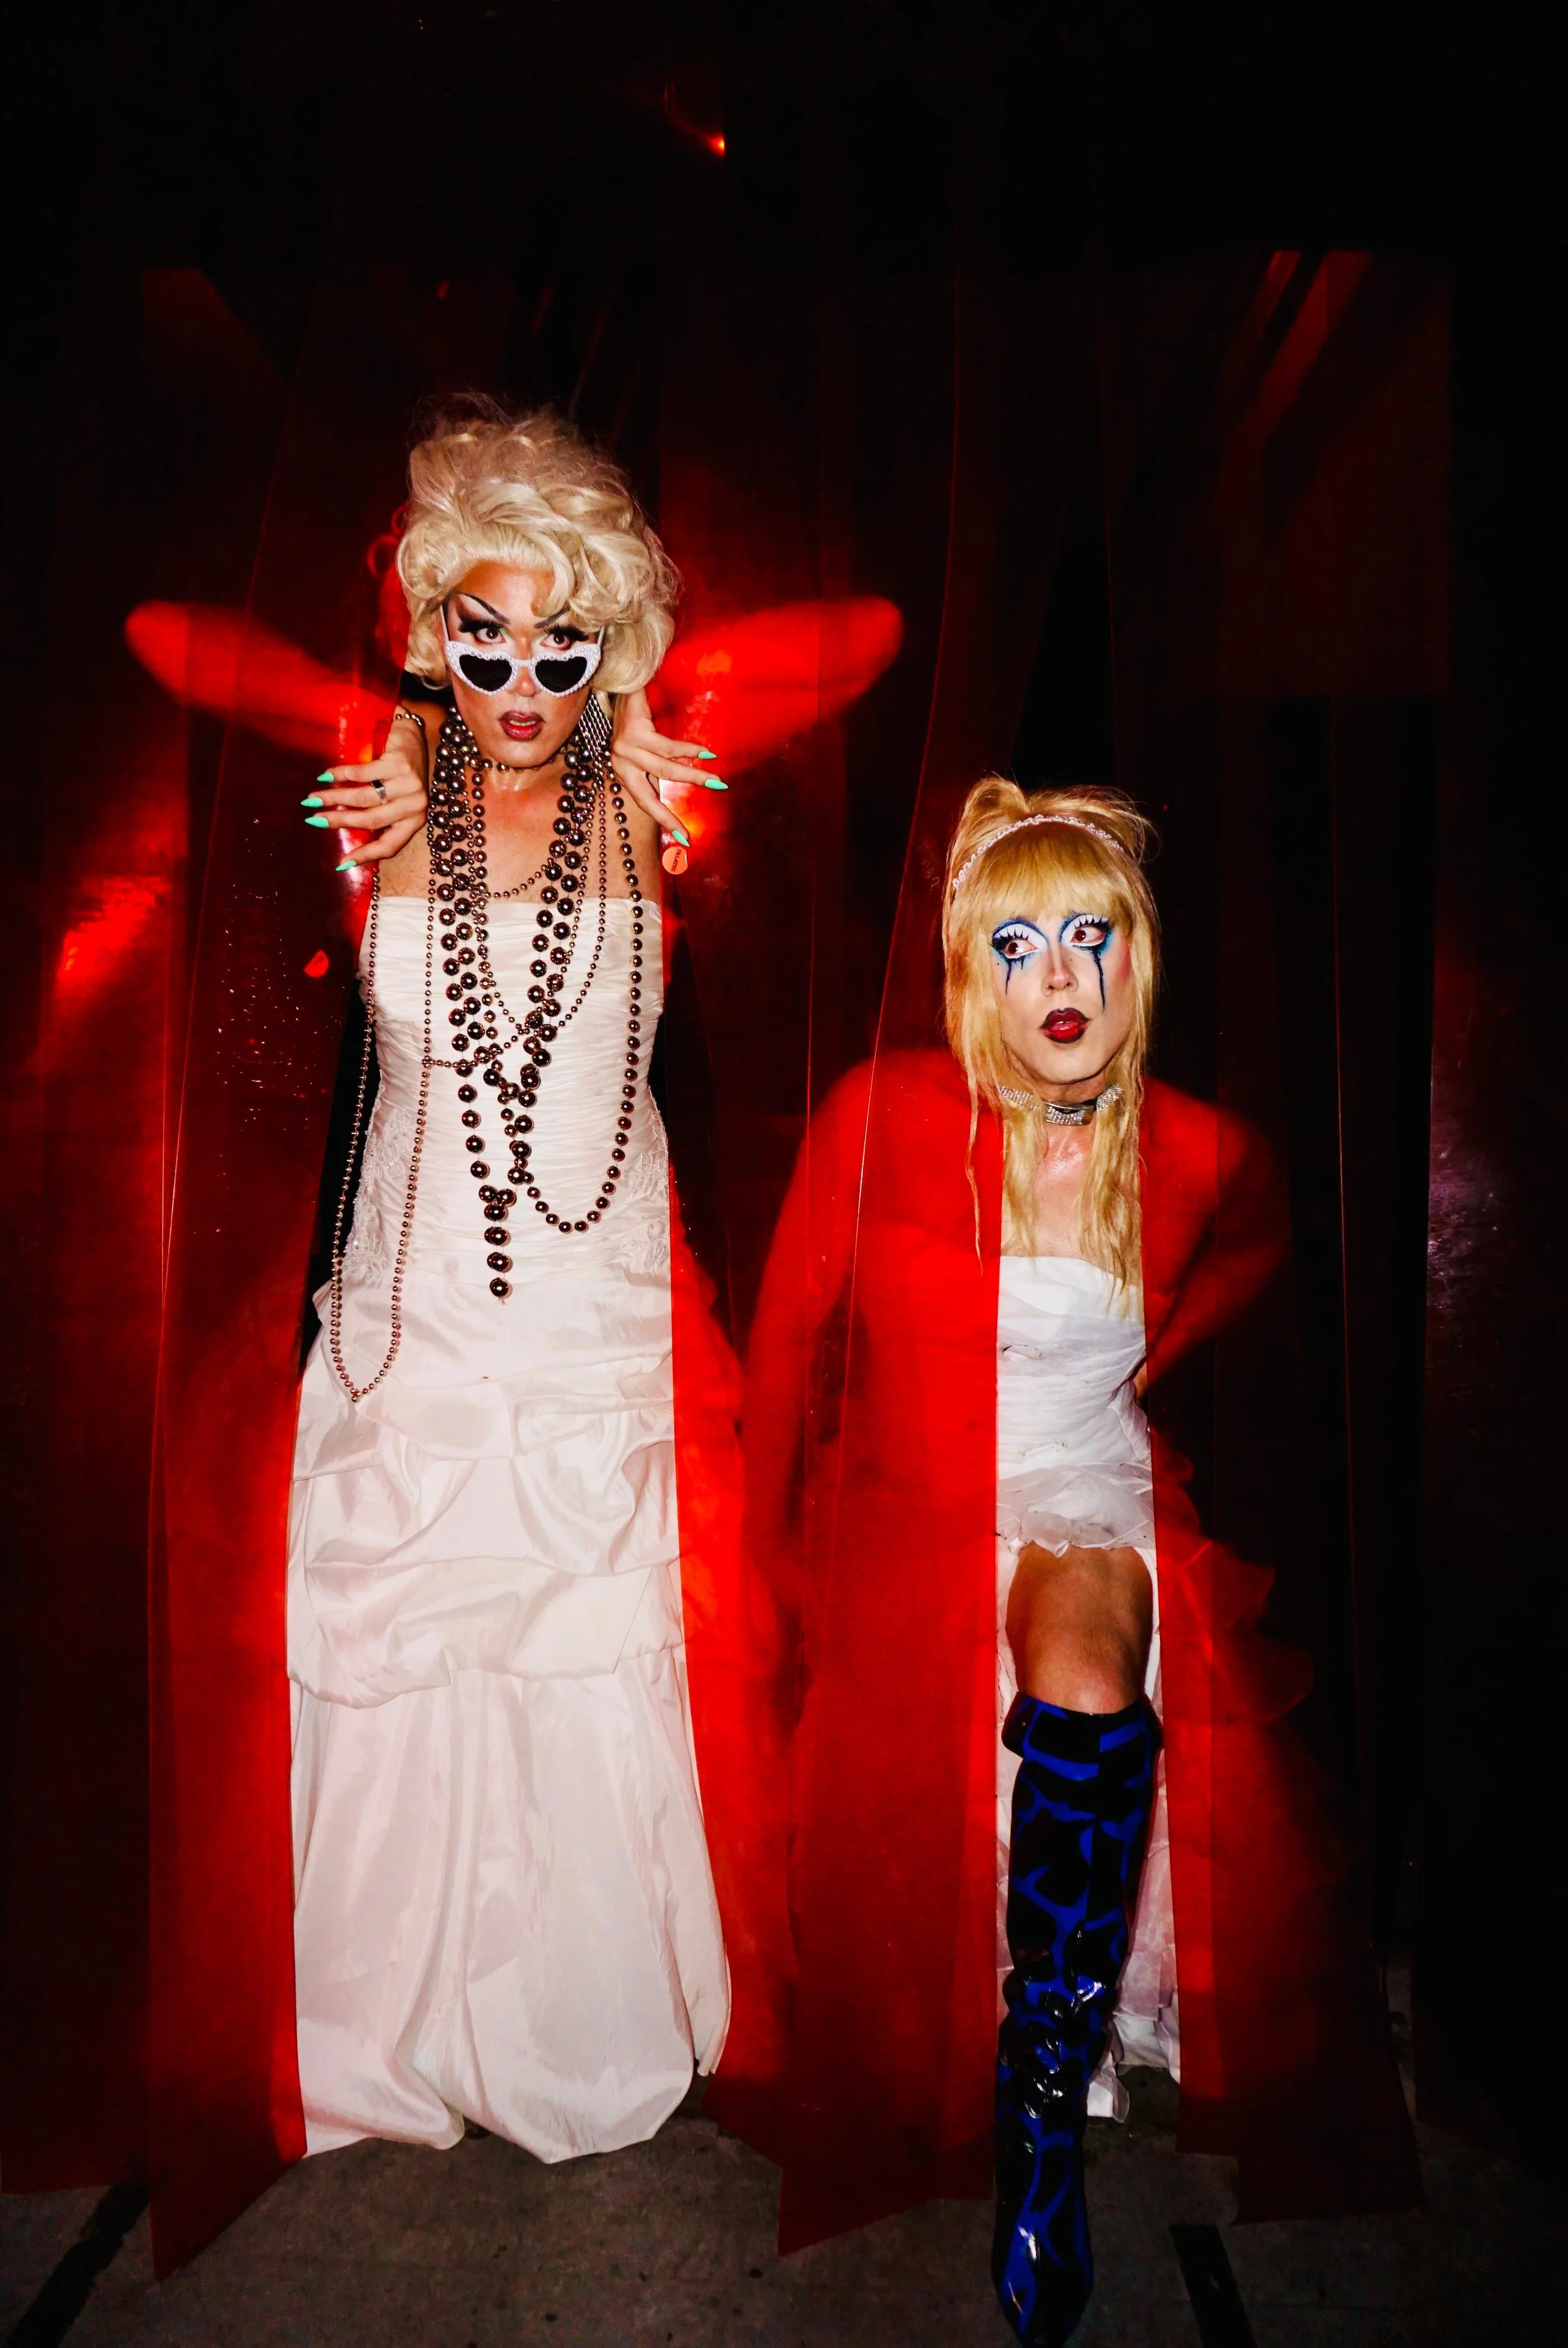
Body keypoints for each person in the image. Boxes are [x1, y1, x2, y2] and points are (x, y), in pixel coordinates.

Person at [738, 777, 1416, 2342]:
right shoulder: (885, 1114)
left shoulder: (1195, 1146)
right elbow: (787, 1344)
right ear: (975, 964)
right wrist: (766, 1550)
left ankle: (1041, 2106)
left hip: (1079, 1481)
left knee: (1094, 1676)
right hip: (903, 1492)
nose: (1060, 976)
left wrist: (1134, 1368)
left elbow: (1240, 1261)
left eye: (1090, 937)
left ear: (1135, 957)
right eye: (1021, 941)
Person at [286, 403, 738, 2162]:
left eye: (565, 639)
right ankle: (378, 2017)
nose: (523, 676)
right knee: (405, 1621)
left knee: (586, 1616)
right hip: (420, 1292)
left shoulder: (662, 801)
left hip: (590, 1289)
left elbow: (847, 656)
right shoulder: (376, 789)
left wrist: (674, 771)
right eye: (483, 635)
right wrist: (369, 767)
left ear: (611, 638)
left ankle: (583, 2010)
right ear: (427, 629)